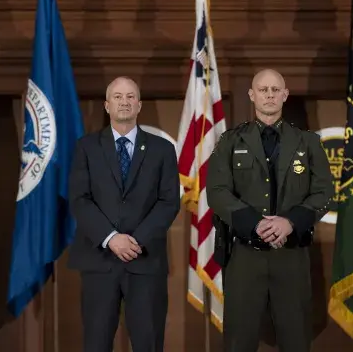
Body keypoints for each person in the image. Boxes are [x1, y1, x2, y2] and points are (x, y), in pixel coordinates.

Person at [208, 68, 335, 352]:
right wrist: (255, 224)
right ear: (252, 95)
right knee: (238, 340)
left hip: (291, 255)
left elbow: (324, 191)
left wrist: (289, 223)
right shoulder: (230, 141)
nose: (269, 95)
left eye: (275, 90)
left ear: (285, 95)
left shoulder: (308, 142)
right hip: (244, 256)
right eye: (263, 90)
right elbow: (216, 192)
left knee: (296, 339)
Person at [68, 76, 181, 352]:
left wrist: (135, 240)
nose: (124, 102)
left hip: (145, 263)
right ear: (107, 105)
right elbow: (79, 199)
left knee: (148, 342)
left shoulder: (162, 149)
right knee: (96, 343)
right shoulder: (86, 147)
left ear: (139, 105)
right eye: (118, 97)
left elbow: (169, 201)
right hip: (99, 261)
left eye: (130, 96)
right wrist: (111, 238)